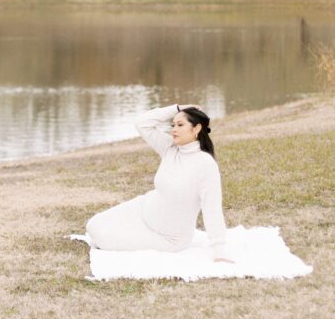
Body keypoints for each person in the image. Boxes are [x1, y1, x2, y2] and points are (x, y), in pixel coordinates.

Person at [86, 103, 235, 263]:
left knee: (102, 238)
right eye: (173, 125)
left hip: (169, 238)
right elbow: (142, 123)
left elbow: (211, 209)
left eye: (180, 125)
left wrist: (219, 250)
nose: (174, 129)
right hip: (143, 209)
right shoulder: (169, 148)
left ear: (196, 129)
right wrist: (177, 109)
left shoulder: (205, 164)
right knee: (93, 225)